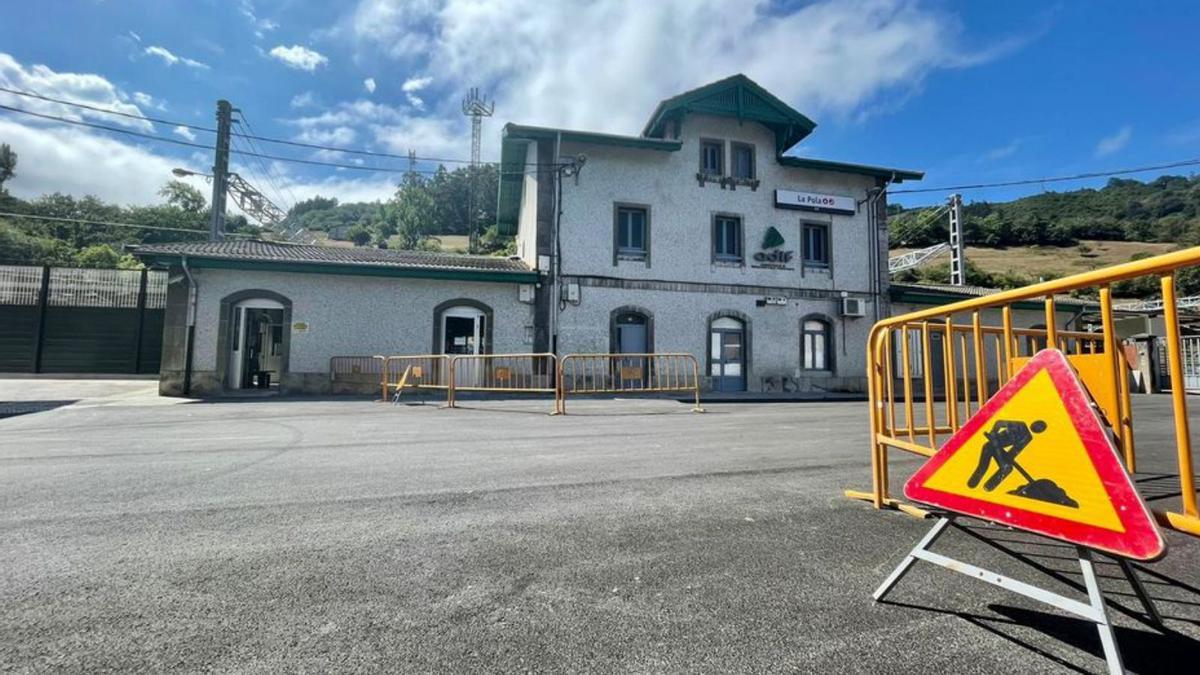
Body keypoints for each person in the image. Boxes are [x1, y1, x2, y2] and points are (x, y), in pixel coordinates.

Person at [967, 419, 1047, 492]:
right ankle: (973, 482)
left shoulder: (1028, 438)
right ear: (1034, 422)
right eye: (1038, 425)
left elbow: (1014, 452)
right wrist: (993, 433)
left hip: (1000, 450)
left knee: (1007, 468)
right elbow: (999, 423)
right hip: (990, 445)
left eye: (1041, 428)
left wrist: (1006, 459)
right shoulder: (1020, 425)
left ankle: (989, 486)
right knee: (983, 466)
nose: (1038, 428)